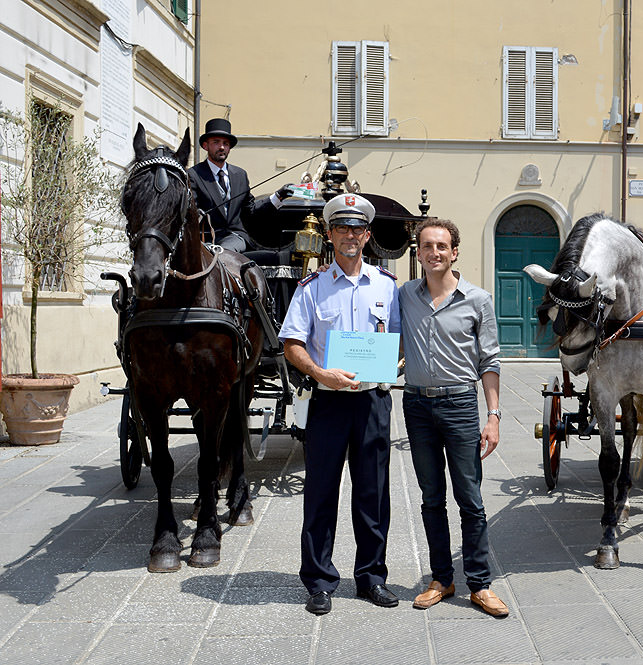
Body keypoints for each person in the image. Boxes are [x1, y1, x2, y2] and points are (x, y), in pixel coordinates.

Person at [278, 193, 401, 615]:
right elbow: (292, 342)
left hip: (371, 403)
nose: (350, 235)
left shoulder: (387, 286)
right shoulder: (311, 289)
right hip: (328, 403)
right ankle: (319, 581)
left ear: (367, 235)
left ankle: (371, 578)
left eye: (357, 229)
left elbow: (398, 339)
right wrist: (319, 373)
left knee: (373, 494)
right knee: (320, 493)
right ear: (329, 235)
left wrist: (393, 363)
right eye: (341, 228)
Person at [399, 219, 508, 618]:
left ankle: (479, 583)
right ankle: (442, 579)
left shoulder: (478, 299)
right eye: (427, 246)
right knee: (431, 498)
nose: (434, 252)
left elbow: (490, 361)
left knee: (470, 498)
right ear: (419, 253)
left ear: (454, 252)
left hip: (461, 406)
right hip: (417, 407)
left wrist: (493, 415)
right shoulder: (404, 295)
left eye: (442, 246)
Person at [188, 118, 290, 252]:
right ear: (205, 146)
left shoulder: (240, 175)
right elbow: (190, 213)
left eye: (226, 143)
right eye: (216, 142)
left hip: (235, 237)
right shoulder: (194, 174)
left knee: (223, 253)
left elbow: (251, 210)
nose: (222, 147)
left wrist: (278, 196)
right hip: (206, 240)